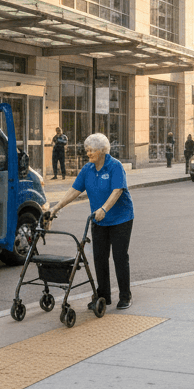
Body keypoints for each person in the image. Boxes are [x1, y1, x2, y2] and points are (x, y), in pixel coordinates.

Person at [48, 133, 134, 310]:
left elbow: (117, 190)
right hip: (99, 221)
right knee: (99, 258)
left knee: (119, 257)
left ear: (102, 150)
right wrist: (56, 207)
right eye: (87, 150)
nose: (88, 153)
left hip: (121, 219)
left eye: (92, 150)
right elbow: (74, 191)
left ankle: (125, 295)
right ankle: (103, 296)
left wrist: (104, 209)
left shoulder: (114, 166)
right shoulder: (87, 169)